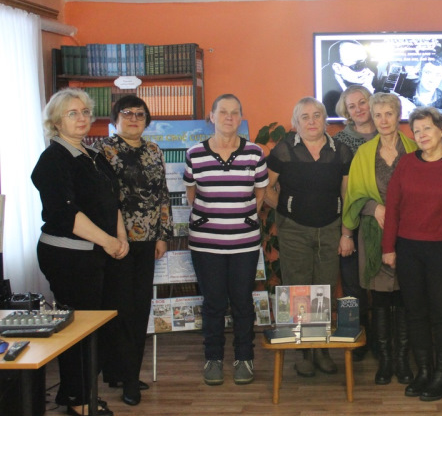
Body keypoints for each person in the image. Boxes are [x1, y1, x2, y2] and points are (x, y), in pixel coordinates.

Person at [31, 88, 129, 416]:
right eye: (72, 113)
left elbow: (112, 199)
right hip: (68, 256)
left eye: (85, 112)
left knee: (94, 329)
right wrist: (108, 242)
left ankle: (81, 392)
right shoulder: (53, 160)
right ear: (56, 121)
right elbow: (67, 213)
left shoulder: (92, 154)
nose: (82, 118)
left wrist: (120, 237)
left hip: (97, 252)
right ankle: (77, 399)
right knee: (78, 330)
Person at [382, 107, 442, 401]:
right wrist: (388, 247)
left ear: (441, 129)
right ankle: (424, 371)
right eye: (417, 130)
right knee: (415, 313)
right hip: (409, 248)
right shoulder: (406, 164)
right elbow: (393, 207)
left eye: (427, 128)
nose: (422, 135)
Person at [183, 94, 268, 386]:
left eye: (234, 112)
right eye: (223, 112)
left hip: (244, 242)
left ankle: (244, 357)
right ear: (212, 116)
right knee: (213, 302)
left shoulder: (254, 152)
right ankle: (214, 358)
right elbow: (191, 191)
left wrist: (246, 216)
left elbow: (260, 191)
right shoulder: (195, 153)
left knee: (243, 302)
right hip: (206, 243)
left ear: (240, 117)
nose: (229, 117)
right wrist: (207, 217)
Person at [266, 97, 354, 377]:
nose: (312, 121)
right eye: (305, 117)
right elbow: (265, 187)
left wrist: (346, 233)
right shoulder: (283, 150)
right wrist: (286, 211)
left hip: (330, 228)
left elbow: (347, 194)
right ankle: (303, 351)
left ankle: (321, 349)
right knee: (298, 289)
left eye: (317, 115)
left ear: (326, 119)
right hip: (294, 231)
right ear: (295, 123)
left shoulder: (341, 151)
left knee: (324, 289)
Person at [95, 95, 172, 406]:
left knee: (139, 310)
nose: (134, 118)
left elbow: (163, 195)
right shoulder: (103, 151)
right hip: (116, 243)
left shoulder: (154, 150)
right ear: (115, 118)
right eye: (127, 113)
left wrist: (163, 236)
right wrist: (114, 238)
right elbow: (103, 199)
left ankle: (128, 373)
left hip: (147, 242)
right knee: (120, 310)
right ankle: (122, 376)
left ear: (147, 120)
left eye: (140, 114)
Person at [342, 92, 418, 385]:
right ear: (372, 118)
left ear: (398, 115)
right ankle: (385, 361)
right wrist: (375, 208)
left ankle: (402, 360)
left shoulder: (414, 148)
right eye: (378, 115)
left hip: (409, 233)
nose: (383, 120)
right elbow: (353, 195)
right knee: (381, 297)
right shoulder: (364, 154)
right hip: (373, 233)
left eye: (389, 114)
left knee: (404, 295)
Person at [333, 84, 378, 359]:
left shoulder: (388, 134)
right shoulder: (339, 142)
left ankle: (382, 340)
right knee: (352, 286)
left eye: (362, 102)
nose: (359, 109)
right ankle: (355, 339)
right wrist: (345, 231)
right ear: (346, 112)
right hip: (351, 223)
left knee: (382, 285)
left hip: (382, 221)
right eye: (352, 106)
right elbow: (340, 189)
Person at [321, 41, 376, 117]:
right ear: (337, 68)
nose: (366, 70)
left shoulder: (372, 83)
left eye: (365, 63)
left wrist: (368, 90)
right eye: (358, 66)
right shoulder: (329, 95)